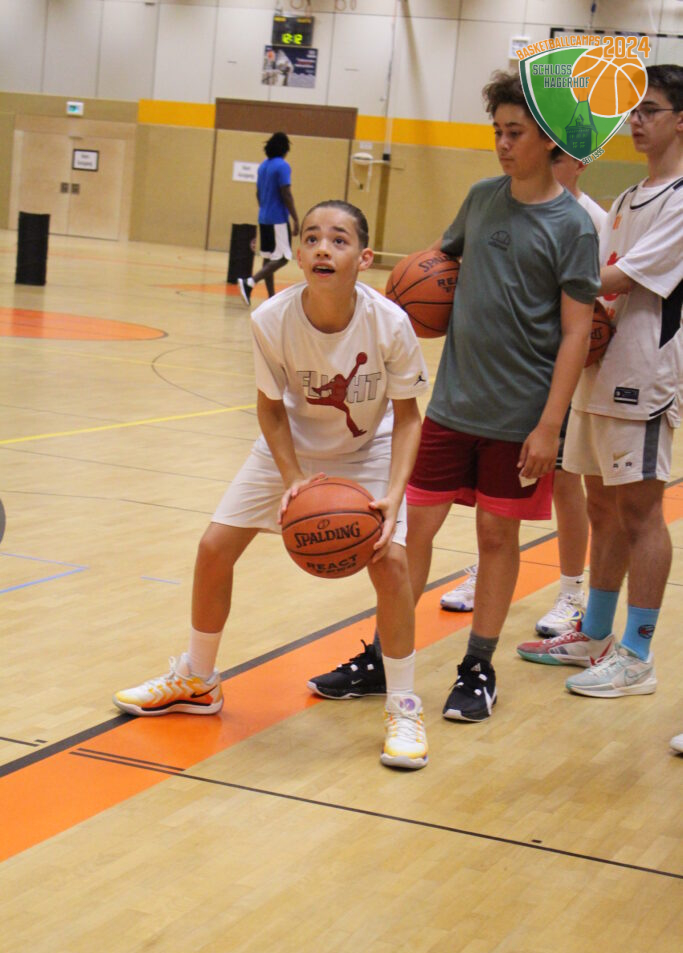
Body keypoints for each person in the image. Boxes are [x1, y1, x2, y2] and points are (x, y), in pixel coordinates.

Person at [309, 71, 600, 723]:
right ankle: (384, 655)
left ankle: (478, 665)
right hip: (448, 406)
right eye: (497, 131)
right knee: (411, 533)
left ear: (547, 139)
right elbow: (436, 267)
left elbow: (577, 331)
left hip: (519, 414)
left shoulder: (573, 226)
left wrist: (549, 425)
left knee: (496, 537)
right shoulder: (480, 199)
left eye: (515, 132)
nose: (503, 144)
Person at [113, 200, 431, 770]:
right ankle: (198, 679)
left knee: (392, 565)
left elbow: (408, 418)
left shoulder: (390, 322)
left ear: (364, 258)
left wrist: (393, 494)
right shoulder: (271, 319)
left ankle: (404, 705)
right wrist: (292, 480)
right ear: (298, 255)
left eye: (338, 240)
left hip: (370, 448)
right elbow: (270, 408)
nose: (322, 248)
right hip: (291, 448)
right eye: (311, 238)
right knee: (215, 547)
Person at [517, 65, 683, 711]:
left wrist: (534, 275)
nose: (635, 121)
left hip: (643, 374)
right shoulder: (627, 198)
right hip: (599, 368)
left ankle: (636, 656)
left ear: (680, 121)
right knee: (603, 508)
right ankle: (594, 634)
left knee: (640, 512)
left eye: (650, 110)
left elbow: (612, 280)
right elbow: (597, 281)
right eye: (633, 110)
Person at [440, 152, 607, 636]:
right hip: (498, 379)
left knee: (565, 481)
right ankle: (486, 571)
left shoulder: (589, 220)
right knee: (494, 496)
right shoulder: (501, 200)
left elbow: (594, 306)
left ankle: (571, 591)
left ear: (578, 162)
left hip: (556, 373)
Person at [237, 132, 299, 306]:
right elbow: (286, 193)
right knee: (283, 257)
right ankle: (250, 282)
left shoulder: (263, 166)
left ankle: (271, 298)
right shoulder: (283, 166)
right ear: (285, 149)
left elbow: (258, 193)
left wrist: (265, 209)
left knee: (268, 258)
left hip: (264, 217)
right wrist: (295, 218)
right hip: (278, 219)